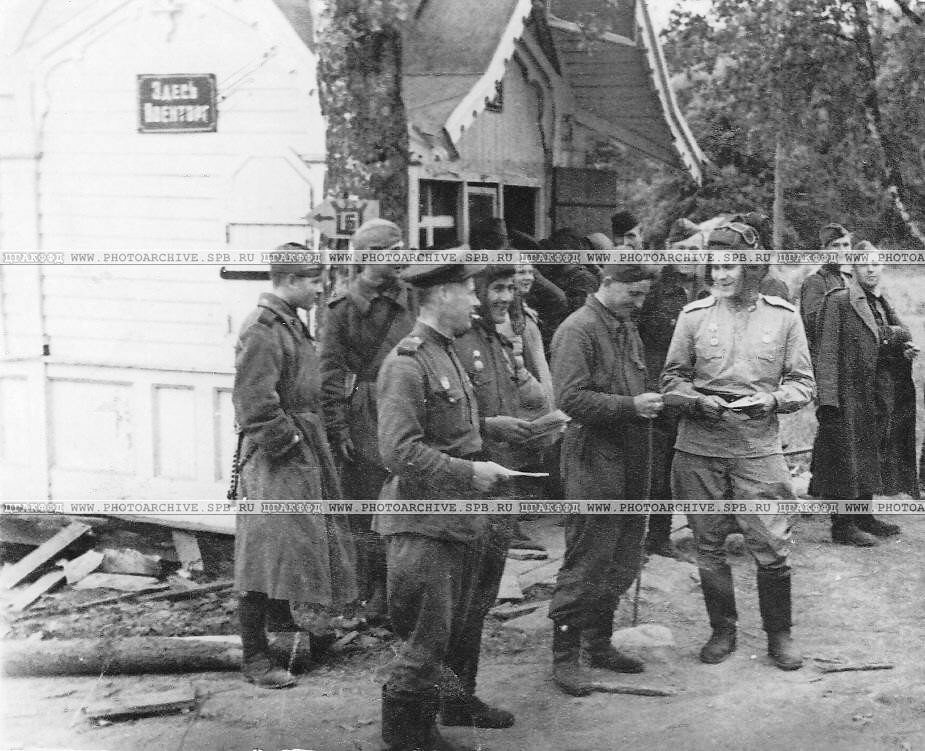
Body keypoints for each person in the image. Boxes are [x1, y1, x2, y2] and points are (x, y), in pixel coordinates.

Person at [660, 224, 816, 672]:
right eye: (715, 266)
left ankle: (779, 634)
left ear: (751, 267)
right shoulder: (692, 316)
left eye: (730, 266)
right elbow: (671, 378)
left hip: (758, 446)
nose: (721, 275)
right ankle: (722, 630)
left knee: (771, 541)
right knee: (707, 543)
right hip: (700, 446)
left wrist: (770, 400)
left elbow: (803, 383)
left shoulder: (783, 317)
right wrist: (696, 400)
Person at [374, 264, 511, 751]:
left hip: (457, 516)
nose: (477, 303)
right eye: (470, 293)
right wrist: (469, 473)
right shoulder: (407, 362)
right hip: (423, 522)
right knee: (425, 637)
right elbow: (398, 452)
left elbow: (450, 430)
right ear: (441, 296)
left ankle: (444, 711)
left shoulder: (445, 353)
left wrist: (501, 431)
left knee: (455, 624)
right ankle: (406, 739)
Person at [232, 260, 357, 689]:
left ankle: (287, 637)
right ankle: (254, 658)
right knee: (264, 552)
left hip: (301, 448)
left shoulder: (289, 323)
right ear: (288, 281)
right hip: (276, 458)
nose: (320, 289)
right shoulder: (263, 328)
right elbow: (254, 405)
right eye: (313, 281)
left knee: (292, 546)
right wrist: (291, 443)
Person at [547, 264, 663, 696]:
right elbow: (571, 398)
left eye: (644, 295)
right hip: (594, 456)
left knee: (624, 555)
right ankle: (564, 656)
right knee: (588, 556)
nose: (639, 303)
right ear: (607, 283)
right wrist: (631, 405)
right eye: (633, 293)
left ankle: (599, 642)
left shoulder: (623, 324)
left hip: (631, 453)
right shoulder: (577, 330)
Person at [444, 265, 550, 729]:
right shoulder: (457, 344)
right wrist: (490, 428)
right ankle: (450, 698)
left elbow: (533, 400)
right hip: (469, 484)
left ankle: (461, 696)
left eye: (510, 288)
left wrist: (520, 367)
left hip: (501, 483)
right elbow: (443, 422)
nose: (505, 297)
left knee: (482, 594)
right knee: (459, 599)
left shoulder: (497, 341)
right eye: (496, 288)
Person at [320, 219, 415, 623]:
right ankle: (373, 592)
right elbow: (329, 372)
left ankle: (405, 588)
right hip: (366, 415)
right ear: (370, 258)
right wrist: (338, 427)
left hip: (411, 404)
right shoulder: (342, 311)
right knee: (368, 505)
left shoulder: (412, 295)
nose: (403, 257)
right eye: (395, 250)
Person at [811, 253, 918, 544]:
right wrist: (828, 400)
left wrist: (899, 346)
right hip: (848, 394)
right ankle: (842, 526)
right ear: (853, 268)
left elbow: (899, 334)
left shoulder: (880, 301)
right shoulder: (839, 300)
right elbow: (827, 352)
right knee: (844, 458)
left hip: (876, 393)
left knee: (870, 453)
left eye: (876, 263)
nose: (871, 268)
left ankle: (864, 516)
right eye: (863, 264)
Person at [637, 261, 701, 557]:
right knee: (659, 467)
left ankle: (705, 530)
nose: (688, 256)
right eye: (682, 249)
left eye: (694, 249)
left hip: (694, 389)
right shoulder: (655, 290)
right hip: (658, 385)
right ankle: (656, 536)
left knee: (689, 465)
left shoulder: (706, 288)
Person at [799, 223, 854, 359]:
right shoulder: (816, 282)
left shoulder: (849, 280)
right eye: (835, 246)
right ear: (824, 250)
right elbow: (815, 325)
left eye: (846, 245)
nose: (842, 251)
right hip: (824, 357)